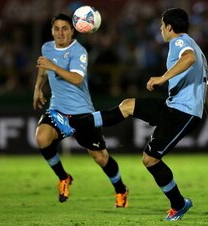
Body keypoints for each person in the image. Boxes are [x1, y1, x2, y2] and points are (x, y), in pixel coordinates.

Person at [59, 8, 208, 221]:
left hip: (183, 114)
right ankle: (74, 122)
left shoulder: (180, 44)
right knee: (128, 105)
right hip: (173, 107)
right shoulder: (197, 47)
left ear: (169, 27)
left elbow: (189, 59)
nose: (160, 29)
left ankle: (179, 204)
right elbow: (207, 90)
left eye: (161, 25)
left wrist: (162, 78)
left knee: (150, 160)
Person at [33, 13, 128, 207]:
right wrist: (38, 88)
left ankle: (120, 189)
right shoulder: (47, 48)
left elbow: (77, 79)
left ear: (72, 30)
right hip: (57, 110)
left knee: (101, 158)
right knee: (41, 138)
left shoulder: (79, 51)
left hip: (82, 113)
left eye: (65, 28)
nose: (60, 33)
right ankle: (64, 178)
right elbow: (43, 68)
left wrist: (53, 65)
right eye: (57, 29)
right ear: (51, 31)